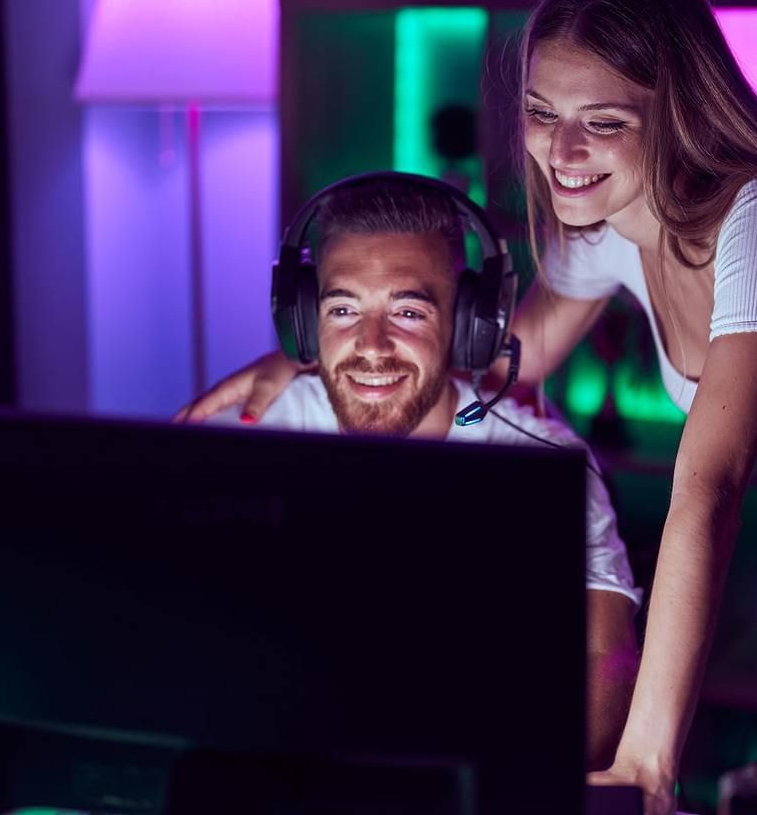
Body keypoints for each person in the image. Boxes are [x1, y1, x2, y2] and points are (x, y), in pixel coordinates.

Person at [179, 0, 757, 814]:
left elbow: (708, 488)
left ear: (677, 114)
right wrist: (319, 351)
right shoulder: (603, 225)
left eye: (603, 122)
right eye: (541, 113)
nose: (562, 153)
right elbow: (497, 360)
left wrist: (647, 759)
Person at [200, 174, 643, 771]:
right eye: (343, 309)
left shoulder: (542, 461)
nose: (372, 346)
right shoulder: (248, 434)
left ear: (467, 326)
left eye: (408, 312)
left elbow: (606, 665)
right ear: (305, 320)